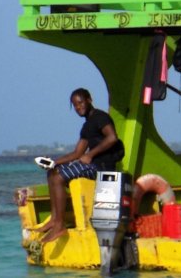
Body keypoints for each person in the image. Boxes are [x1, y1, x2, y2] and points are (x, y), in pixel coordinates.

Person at [37, 88, 125, 243]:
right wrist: (54, 162)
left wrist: (90, 154)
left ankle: (59, 225)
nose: (78, 108)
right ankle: (54, 219)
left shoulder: (100, 117)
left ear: (89, 100)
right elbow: (77, 153)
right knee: (52, 172)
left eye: (80, 103)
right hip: (91, 165)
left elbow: (112, 138)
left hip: (101, 167)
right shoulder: (87, 126)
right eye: (75, 106)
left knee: (58, 178)